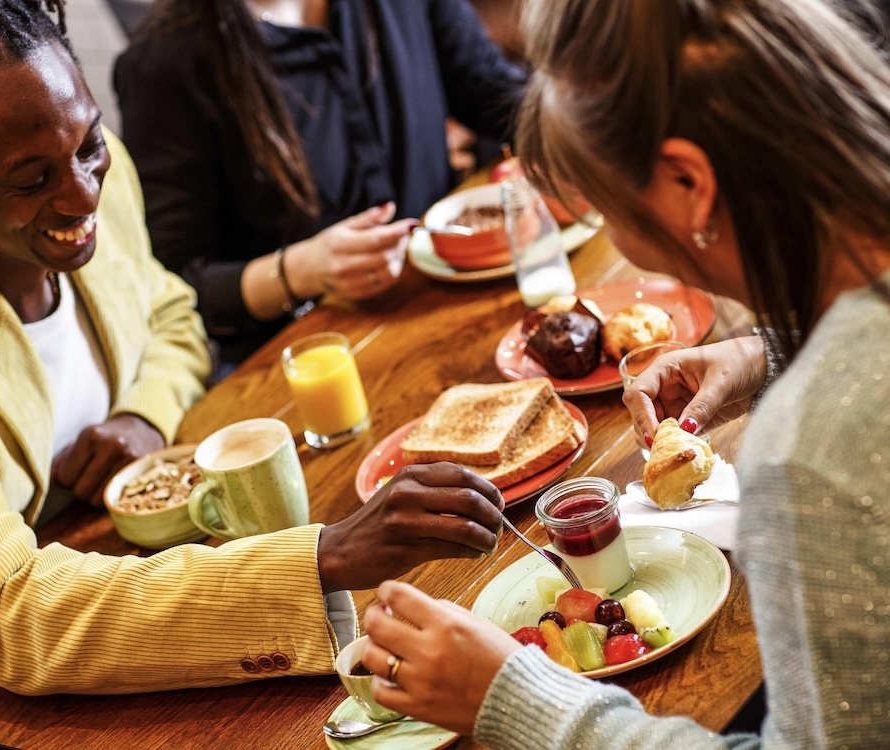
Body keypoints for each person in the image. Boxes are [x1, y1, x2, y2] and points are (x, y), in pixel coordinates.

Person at [0, 0, 504, 695]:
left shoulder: (96, 173)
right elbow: (9, 610)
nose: (84, 194)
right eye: (33, 180)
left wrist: (144, 417)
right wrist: (322, 557)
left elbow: (172, 313)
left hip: (132, 557)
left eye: (89, 145)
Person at [359, 0, 890, 746]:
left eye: (604, 207)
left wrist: (511, 697)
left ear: (687, 183)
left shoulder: (815, 452)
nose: (613, 235)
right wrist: (771, 352)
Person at [113, 0, 527, 369]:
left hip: (461, 298)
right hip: (317, 357)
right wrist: (299, 270)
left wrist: (575, 121)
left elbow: (494, 93)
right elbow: (175, 286)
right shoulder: (163, 62)